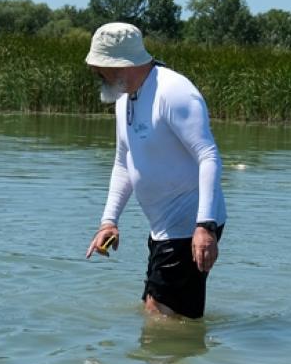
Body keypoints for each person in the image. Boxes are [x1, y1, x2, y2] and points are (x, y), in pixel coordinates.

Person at [85, 22, 226, 319]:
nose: (96, 74)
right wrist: (108, 221)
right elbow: (124, 161)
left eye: (101, 68)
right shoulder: (124, 97)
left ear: (123, 66)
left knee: (162, 315)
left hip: (189, 225)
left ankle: (183, 360)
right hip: (163, 228)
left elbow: (208, 155)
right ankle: (182, 360)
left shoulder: (174, 92)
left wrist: (205, 227)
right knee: (159, 312)